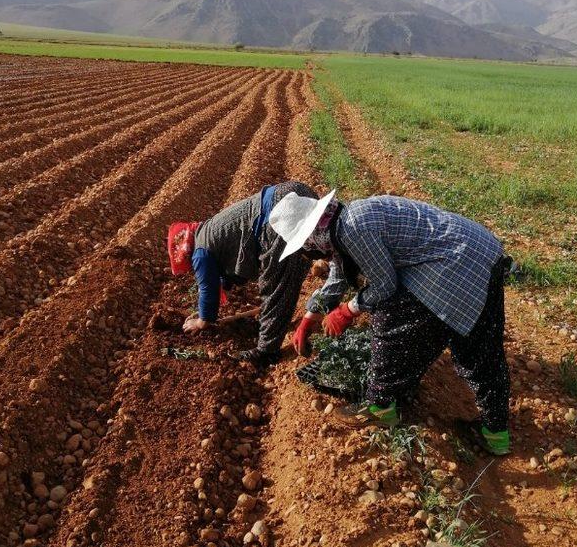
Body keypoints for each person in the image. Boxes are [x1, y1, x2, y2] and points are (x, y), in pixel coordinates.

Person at [269, 190, 512, 456]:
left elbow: (385, 286)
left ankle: (380, 407)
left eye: (306, 248)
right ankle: (496, 434)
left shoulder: (352, 230)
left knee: (391, 319)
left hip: (452, 263)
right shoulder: (342, 220)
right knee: (480, 348)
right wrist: (310, 316)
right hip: (482, 252)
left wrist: (348, 310)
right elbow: (340, 270)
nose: (311, 254)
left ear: (312, 237)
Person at [167, 181, 318, 365]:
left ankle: (266, 351)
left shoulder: (199, 253)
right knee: (295, 267)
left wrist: (202, 320)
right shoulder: (206, 231)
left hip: (278, 213)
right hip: (296, 193)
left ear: (184, 253)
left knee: (277, 285)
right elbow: (230, 267)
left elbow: (208, 289)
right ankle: (310, 309)